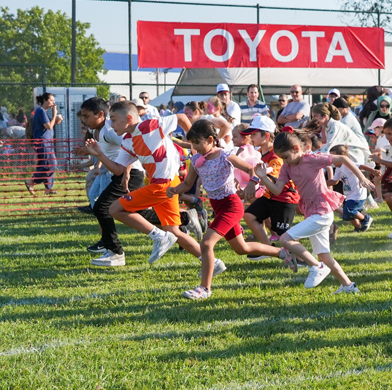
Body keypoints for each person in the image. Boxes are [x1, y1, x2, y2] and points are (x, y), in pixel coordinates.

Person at [165, 120, 284, 299]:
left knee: (206, 244)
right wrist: (175, 189)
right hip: (218, 207)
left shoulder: (224, 155)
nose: (194, 147)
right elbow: (188, 184)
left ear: (211, 139)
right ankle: (283, 253)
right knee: (241, 248)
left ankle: (204, 289)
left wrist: (252, 184)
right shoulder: (196, 160)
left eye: (197, 142)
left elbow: (252, 170)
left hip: (232, 205)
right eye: (192, 143)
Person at [256, 131, 375, 293]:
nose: (284, 161)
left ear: (297, 148)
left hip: (323, 212)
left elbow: (343, 159)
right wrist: (263, 177)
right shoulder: (287, 167)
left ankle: (317, 267)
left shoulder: (312, 159)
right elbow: (277, 190)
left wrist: (362, 177)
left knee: (285, 239)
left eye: (285, 157)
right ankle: (348, 286)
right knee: (324, 255)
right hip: (312, 213)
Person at [82, 101, 197, 267]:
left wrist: (193, 144)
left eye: (113, 120)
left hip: (163, 184)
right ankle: (212, 261)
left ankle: (158, 237)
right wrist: (99, 154)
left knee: (114, 208)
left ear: (128, 118)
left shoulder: (150, 125)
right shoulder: (128, 140)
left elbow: (180, 117)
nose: (111, 124)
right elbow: (118, 169)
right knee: (173, 231)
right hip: (167, 185)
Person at [75, 97, 146, 261]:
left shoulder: (109, 131)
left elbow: (130, 146)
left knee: (102, 207)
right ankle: (183, 220)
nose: (84, 121)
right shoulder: (96, 131)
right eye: (82, 117)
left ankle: (114, 250)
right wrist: (86, 152)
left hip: (130, 174)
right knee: (134, 210)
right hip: (117, 173)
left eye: (86, 116)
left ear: (100, 114)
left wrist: (127, 173)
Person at [241, 115, 299, 245]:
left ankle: (300, 258)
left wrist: (253, 182)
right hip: (270, 196)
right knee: (249, 215)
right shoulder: (259, 152)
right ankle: (268, 248)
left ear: (266, 136)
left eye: (254, 134)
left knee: (284, 236)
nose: (250, 138)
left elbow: (271, 178)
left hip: (284, 198)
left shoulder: (276, 155)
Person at [24, 92, 60, 197]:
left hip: (47, 142)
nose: (53, 102)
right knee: (50, 165)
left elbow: (48, 125)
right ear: (44, 100)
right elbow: (48, 126)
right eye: (51, 100)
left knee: (47, 164)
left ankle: (48, 189)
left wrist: (56, 119)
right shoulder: (40, 111)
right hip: (43, 143)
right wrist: (54, 115)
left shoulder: (43, 111)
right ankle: (31, 181)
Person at [332, 143, 373, 233]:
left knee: (348, 211)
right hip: (349, 194)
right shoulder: (338, 168)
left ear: (342, 157)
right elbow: (334, 181)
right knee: (347, 214)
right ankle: (359, 227)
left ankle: (366, 218)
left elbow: (361, 166)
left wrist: (373, 171)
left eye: (333, 157)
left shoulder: (348, 165)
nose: (331, 160)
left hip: (358, 193)